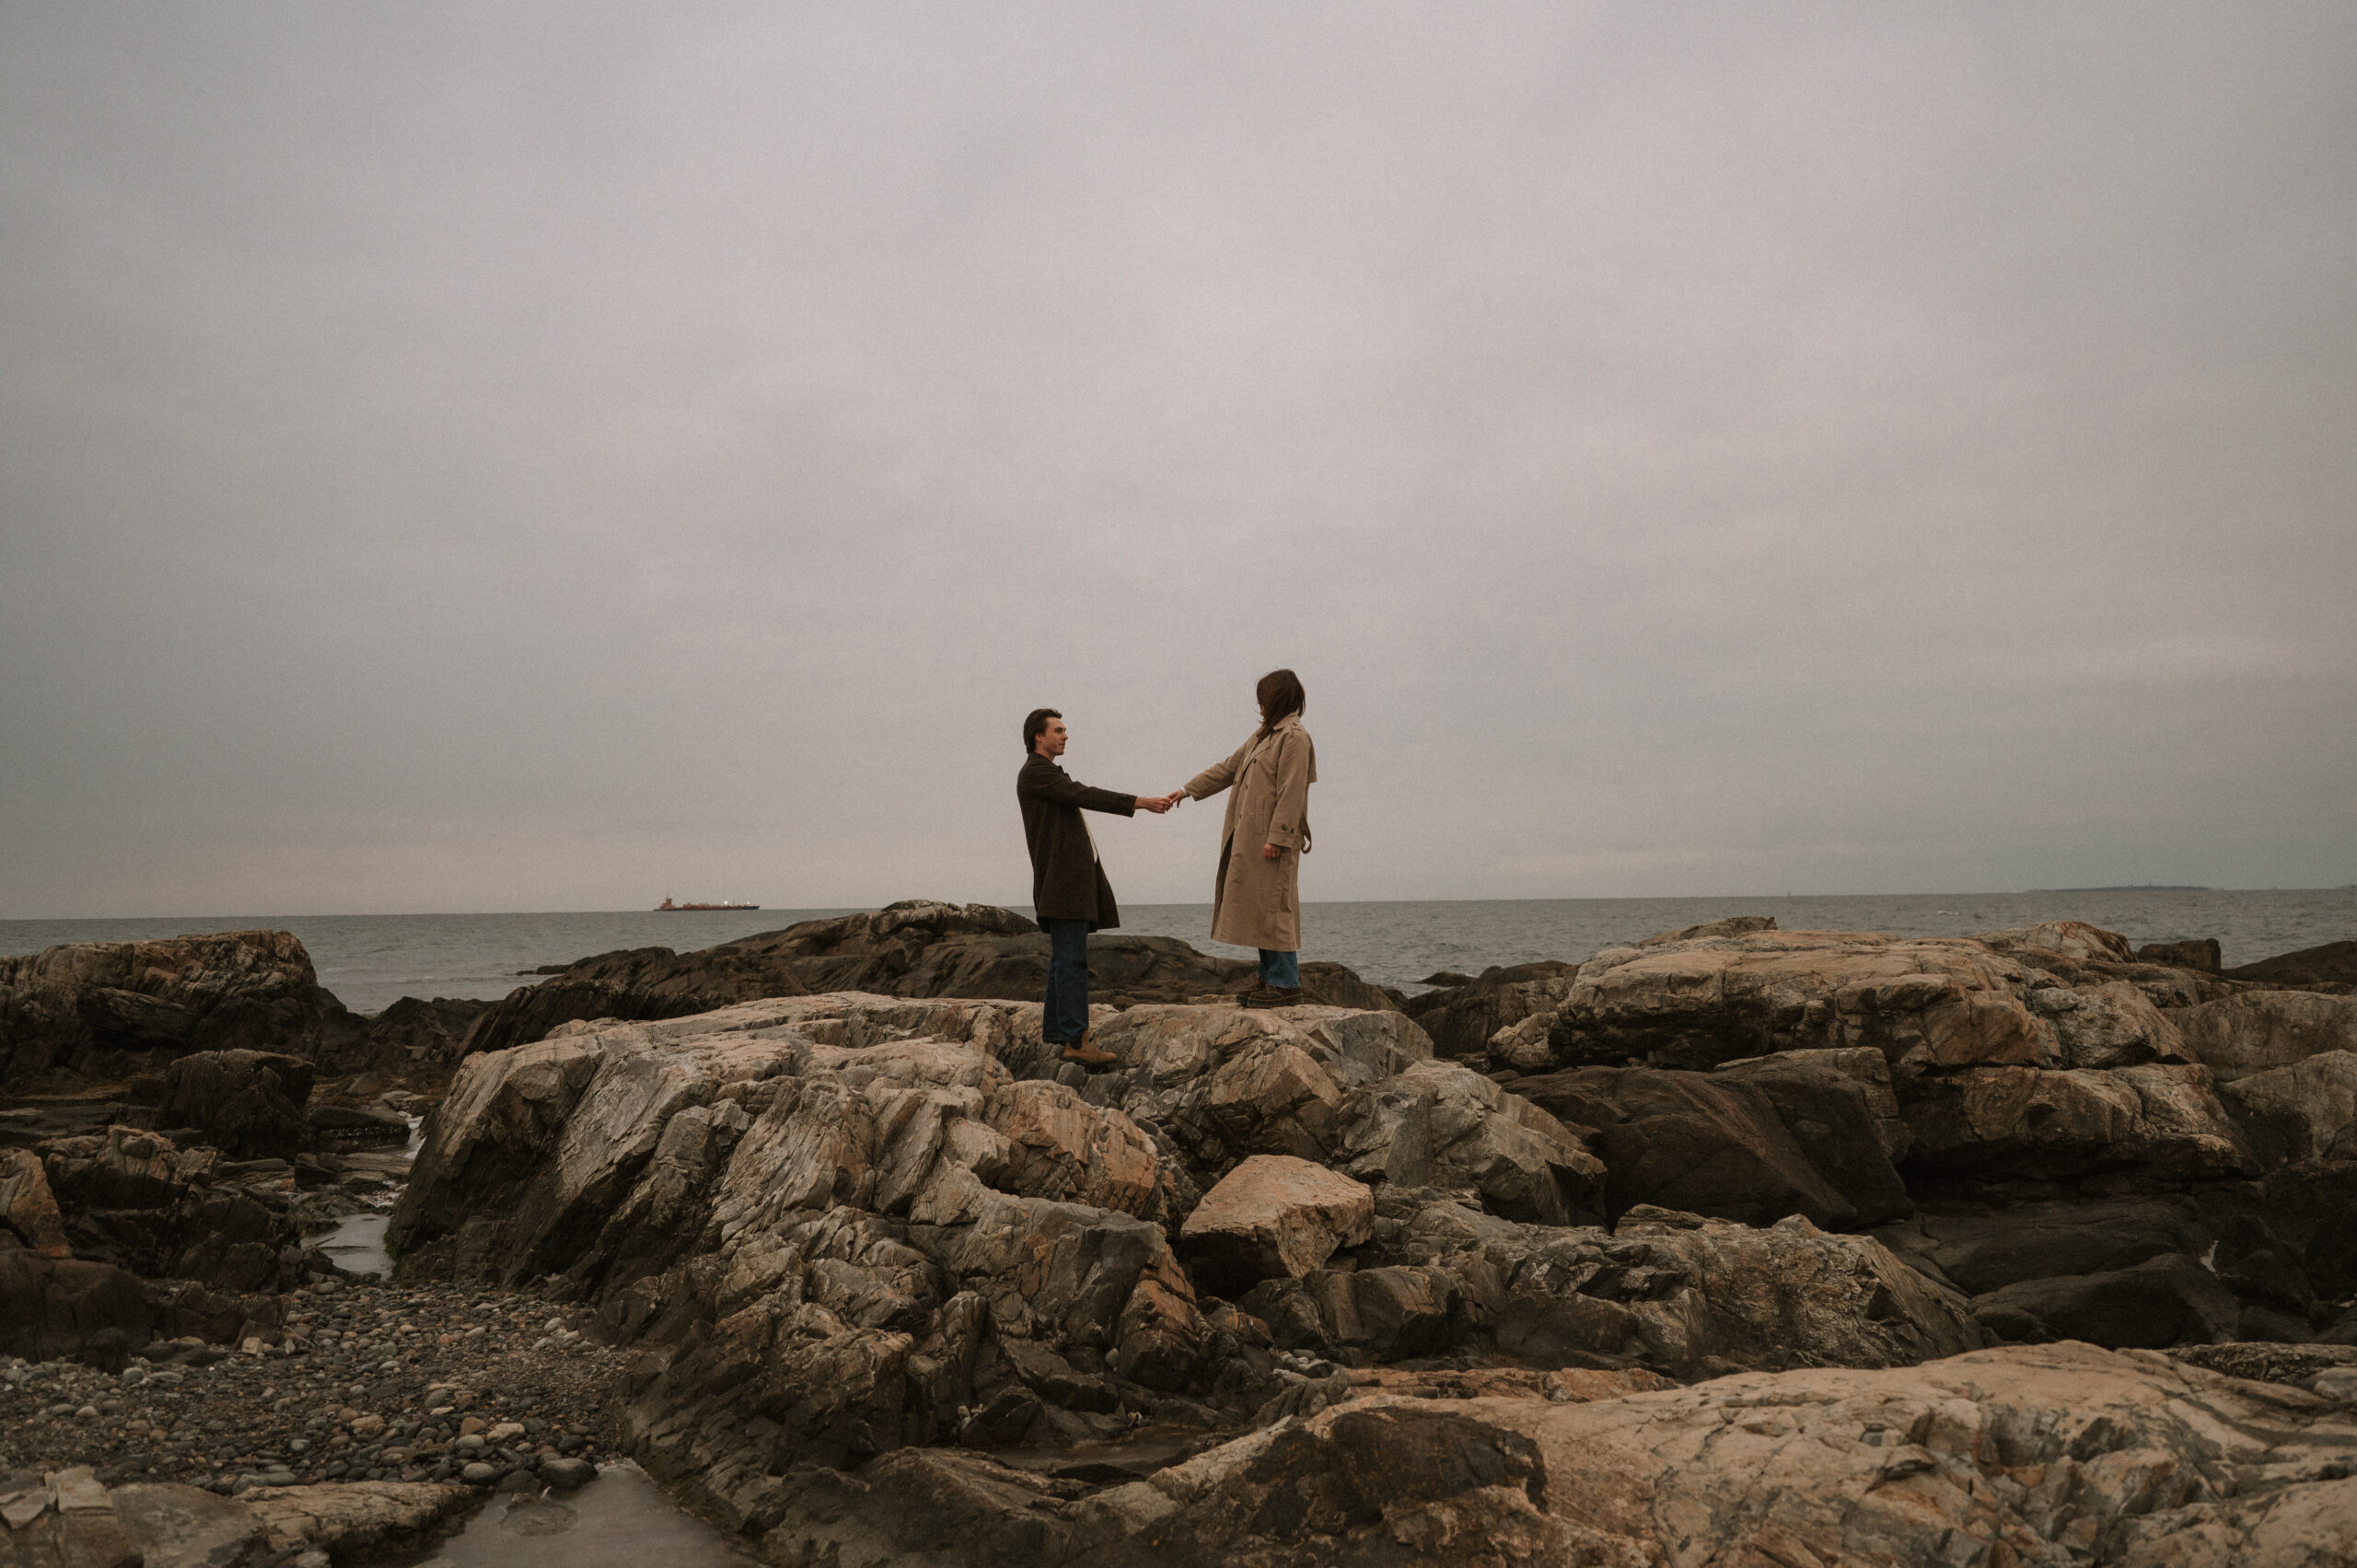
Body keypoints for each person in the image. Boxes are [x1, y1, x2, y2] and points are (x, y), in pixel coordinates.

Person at [1017, 707, 1171, 1064]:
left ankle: (1063, 1036)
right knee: (1071, 961)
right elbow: (1084, 794)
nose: (1065, 735)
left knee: (1063, 960)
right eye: (1058, 730)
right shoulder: (1037, 772)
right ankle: (1076, 1041)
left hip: (1061, 885)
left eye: (1065, 729)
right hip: (1062, 885)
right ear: (1038, 736)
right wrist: (1140, 802)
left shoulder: (1044, 774)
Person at [1167, 668, 1316, 1007]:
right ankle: (1269, 979)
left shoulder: (1293, 737)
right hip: (1251, 837)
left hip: (1272, 839)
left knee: (1276, 908)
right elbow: (1227, 768)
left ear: (1276, 697)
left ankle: (1286, 983)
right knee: (1259, 908)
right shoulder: (1263, 736)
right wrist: (1186, 790)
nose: (1259, 705)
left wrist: (1278, 837)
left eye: (1263, 698)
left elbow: (1292, 792)